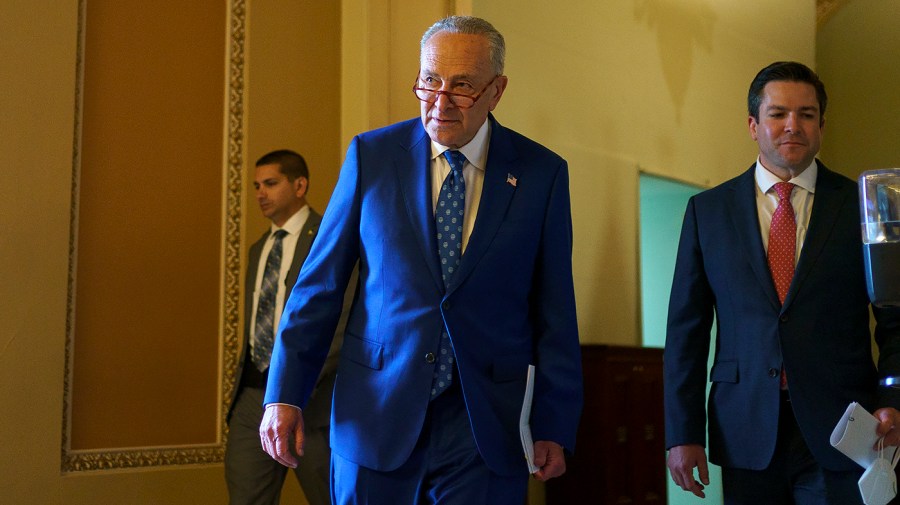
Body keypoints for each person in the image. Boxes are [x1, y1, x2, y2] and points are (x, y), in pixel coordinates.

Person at [259, 15, 583, 505]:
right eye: (430, 81)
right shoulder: (372, 156)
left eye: (463, 87)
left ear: (497, 91)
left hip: (483, 428)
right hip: (375, 415)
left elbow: (555, 310)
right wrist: (284, 394)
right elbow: (318, 288)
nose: (440, 101)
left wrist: (554, 422)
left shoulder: (541, 175)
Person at [663, 61, 900, 504]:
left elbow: (896, 322)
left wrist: (897, 399)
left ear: (822, 126)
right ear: (753, 125)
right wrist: (682, 433)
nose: (793, 125)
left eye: (806, 115)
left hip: (843, 428)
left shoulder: (864, 207)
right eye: (778, 114)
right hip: (745, 427)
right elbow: (685, 332)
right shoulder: (708, 212)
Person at [226, 149, 340, 505]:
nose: (260, 193)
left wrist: (297, 385)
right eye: (257, 185)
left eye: (271, 184)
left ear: (300, 185)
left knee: (334, 498)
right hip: (252, 397)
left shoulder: (331, 237)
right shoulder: (260, 249)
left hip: (313, 400)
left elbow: (343, 320)